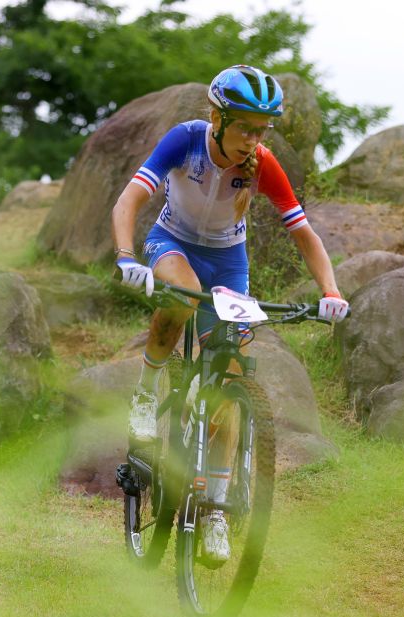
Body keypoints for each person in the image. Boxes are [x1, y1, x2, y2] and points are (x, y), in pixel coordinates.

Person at [111, 64, 349, 562]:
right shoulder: (186, 140)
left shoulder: (262, 163)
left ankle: (216, 510)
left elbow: (303, 233)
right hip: (172, 243)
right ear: (217, 117)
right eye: (244, 127)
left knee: (232, 371)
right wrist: (126, 257)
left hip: (228, 262)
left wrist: (331, 290)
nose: (253, 140)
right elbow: (130, 199)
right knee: (182, 294)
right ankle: (146, 388)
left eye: (262, 130)